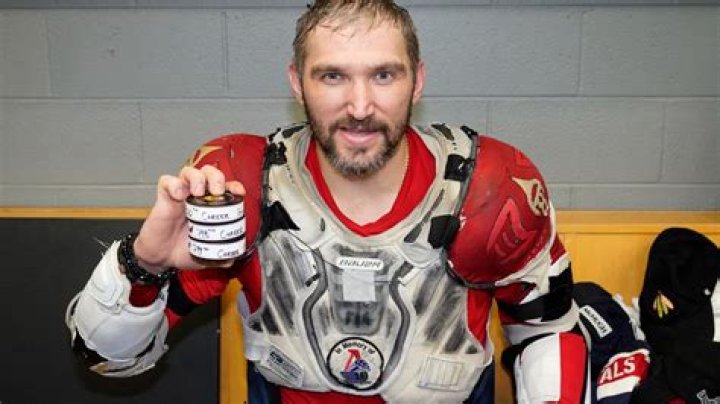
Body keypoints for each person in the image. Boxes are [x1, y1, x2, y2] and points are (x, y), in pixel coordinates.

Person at [65, 1, 590, 402]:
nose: (359, 106)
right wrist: (144, 263)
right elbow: (108, 359)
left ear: (417, 80)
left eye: (383, 75)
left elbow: (546, 335)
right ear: (298, 83)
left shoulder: (489, 190)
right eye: (332, 76)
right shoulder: (243, 186)